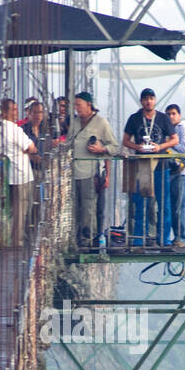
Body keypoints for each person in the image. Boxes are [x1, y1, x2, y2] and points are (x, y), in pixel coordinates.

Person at [121, 88, 177, 247]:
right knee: (140, 203)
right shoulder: (134, 118)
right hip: (142, 166)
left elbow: (174, 139)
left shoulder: (163, 118)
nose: (148, 101)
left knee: (163, 203)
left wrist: (160, 147)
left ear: (155, 100)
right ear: (141, 101)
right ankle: (139, 239)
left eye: (151, 98)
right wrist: (137, 147)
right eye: (145, 99)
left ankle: (164, 239)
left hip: (161, 165)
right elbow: (125, 140)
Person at [67, 91, 120, 250]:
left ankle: (87, 240)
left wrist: (101, 149)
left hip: (91, 172)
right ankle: (75, 239)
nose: (77, 108)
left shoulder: (101, 123)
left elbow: (115, 147)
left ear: (89, 105)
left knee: (89, 208)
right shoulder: (75, 123)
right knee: (75, 209)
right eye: (75, 105)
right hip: (73, 173)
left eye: (79, 105)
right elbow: (69, 142)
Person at [0, 98, 38, 244]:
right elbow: (31, 148)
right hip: (21, 176)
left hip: (4, 176)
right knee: (21, 210)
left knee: (8, 210)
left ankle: (5, 240)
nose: (16, 113)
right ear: (5, 111)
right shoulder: (13, 129)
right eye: (13, 110)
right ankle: (17, 242)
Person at [165, 103, 185, 248]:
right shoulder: (169, 131)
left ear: (179, 115)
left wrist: (169, 144)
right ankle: (176, 237)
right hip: (171, 172)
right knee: (171, 206)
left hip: (184, 172)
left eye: (173, 113)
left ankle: (183, 237)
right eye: (168, 114)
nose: (171, 116)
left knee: (181, 206)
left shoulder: (184, 129)